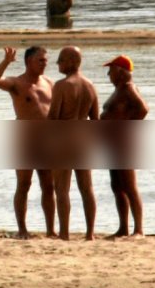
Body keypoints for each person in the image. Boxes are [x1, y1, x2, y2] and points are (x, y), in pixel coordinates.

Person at [0, 46, 55, 238]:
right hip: (24, 139)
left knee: (48, 186)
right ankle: (22, 230)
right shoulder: (17, 83)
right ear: (29, 62)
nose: (44, 64)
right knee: (24, 185)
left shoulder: (49, 83)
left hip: (47, 140)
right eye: (40, 60)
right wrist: (6, 62)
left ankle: (51, 230)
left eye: (46, 60)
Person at [46, 46, 98, 240]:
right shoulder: (90, 85)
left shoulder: (62, 85)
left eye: (60, 60)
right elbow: (95, 120)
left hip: (64, 141)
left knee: (62, 189)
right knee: (87, 188)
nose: (58, 64)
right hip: (83, 140)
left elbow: (53, 118)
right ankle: (90, 233)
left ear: (71, 61)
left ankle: (65, 233)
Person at [101, 54, 148, 237]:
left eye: (110, 71)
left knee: (129, 185)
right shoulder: (120, 89)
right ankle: (123, 227)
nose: (108, 75)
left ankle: (138, 229)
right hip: (114, 145)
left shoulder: (128, 88)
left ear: (120, 72)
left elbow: (143, 109)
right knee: (117, 186)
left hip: (123, 145)